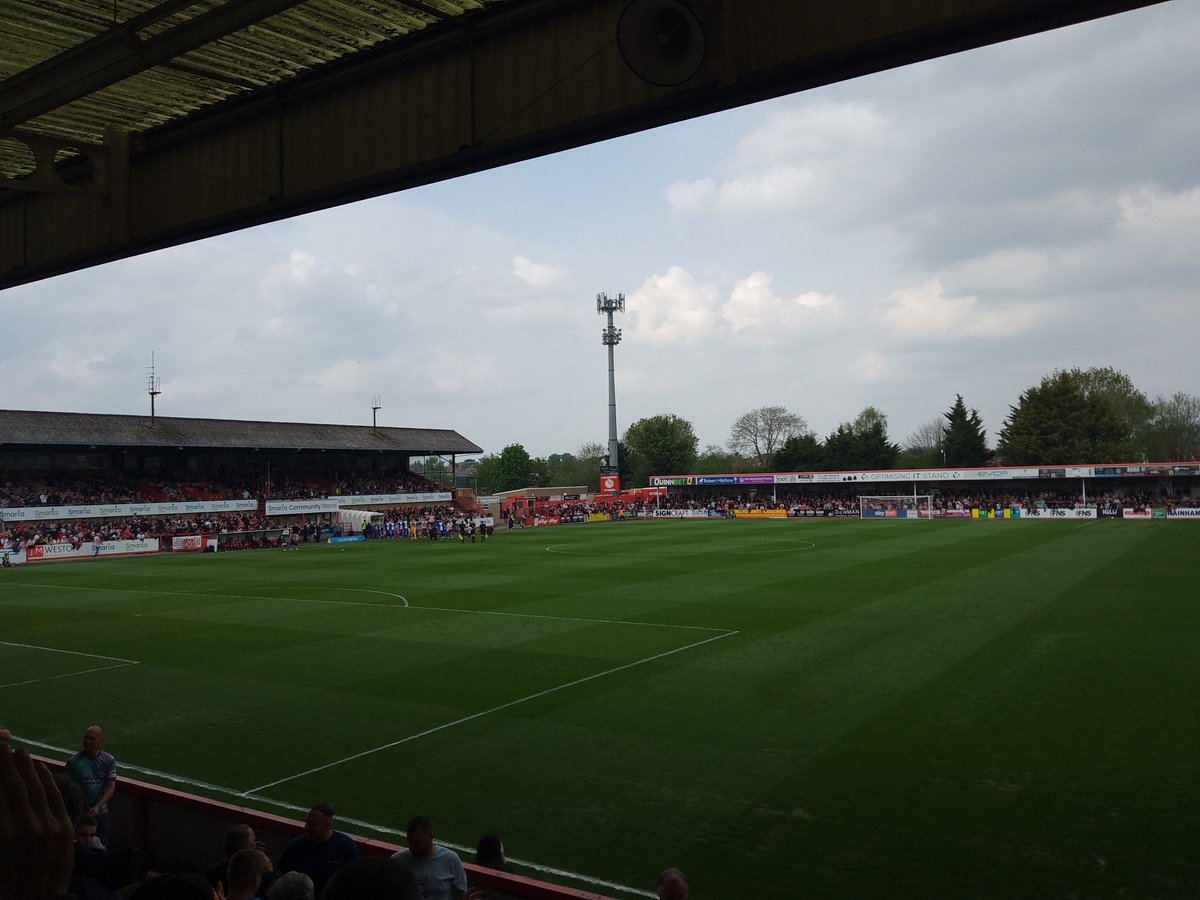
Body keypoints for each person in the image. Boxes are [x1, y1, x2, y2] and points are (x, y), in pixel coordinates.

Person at [277, 802, 360, 898]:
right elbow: (282, 874)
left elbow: (356, 881)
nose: (307, 827)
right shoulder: (297, 845)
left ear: (327, 825)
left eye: (312, 824)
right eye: (307, 823)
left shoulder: (346, 847)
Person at [391, 816, 467, 900]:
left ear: (430, 837)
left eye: (417, 843)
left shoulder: (451, 859)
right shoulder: (397, 861)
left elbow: (460, 893)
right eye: (410, 842)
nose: (412, 847)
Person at [65, 724, 117, 848]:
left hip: (101, 813)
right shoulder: (74, 762)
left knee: (102, 848)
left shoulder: (108, 760)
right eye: (86, 738)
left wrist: (98, 806)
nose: (87, 741)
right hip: (81, 814)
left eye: (92, 738)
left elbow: (111, 787)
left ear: (101, 740)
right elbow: (67, 788)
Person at [206, 824, 276, 896]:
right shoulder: (255, 881)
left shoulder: (210, 872)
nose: (256, 845)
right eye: (253, 842)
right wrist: (269, 871)